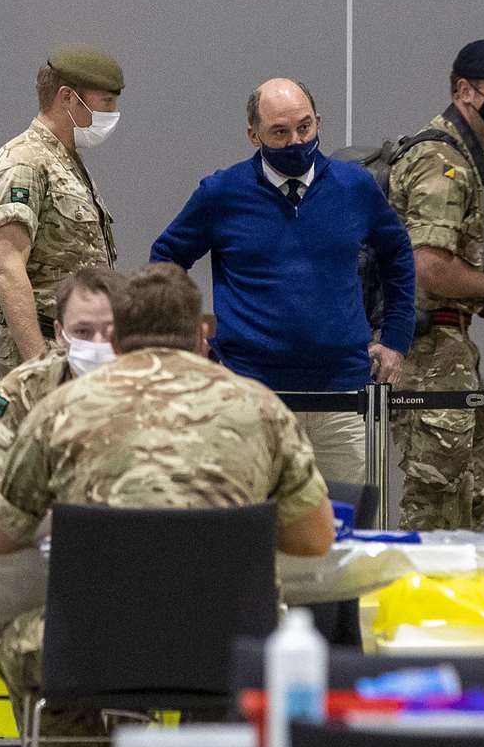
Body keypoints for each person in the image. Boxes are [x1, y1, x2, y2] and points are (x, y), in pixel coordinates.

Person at [0, 263, 335, 747]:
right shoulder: (260, 407)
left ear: (120, 335)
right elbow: (314, 538)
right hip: (230, 639)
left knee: (17, 637)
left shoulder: (61, 409)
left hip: (93, 643)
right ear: (202, 334)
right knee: (256, 647)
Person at [150, 78, 414, 488]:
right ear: (254, 135)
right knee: (250, 531)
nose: (296, 141)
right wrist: (185, 340)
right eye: (280, 132)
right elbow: (165, 260)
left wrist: (396, 338)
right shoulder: (222, 193)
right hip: (252, 396)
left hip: (342, 396)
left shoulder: (354, 187)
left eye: (305, 128)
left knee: (349, 533)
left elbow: (397, 254)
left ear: (318, 122)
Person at [388, 39, 484, 531]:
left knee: (481, 485)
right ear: (463, 90)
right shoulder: (441, 161)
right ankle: (423, 602)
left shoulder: (463, 157)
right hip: (427, 353)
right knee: (437, 503)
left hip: (449, 345)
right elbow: (427, 266)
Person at [0, 46, 124, 385]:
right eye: (106, 103)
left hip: (76, 349)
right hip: (43, 349)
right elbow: (7, 268)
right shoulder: (24, 162)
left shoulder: (63, 160)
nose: (113, 114)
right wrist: (39, 366)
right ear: (68, 98)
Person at [0, 266, 124, 505]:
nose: (98, 343)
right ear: (59, 333)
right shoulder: (25, 387)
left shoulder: (157, 386)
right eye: (83, 331)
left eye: (111, 332)